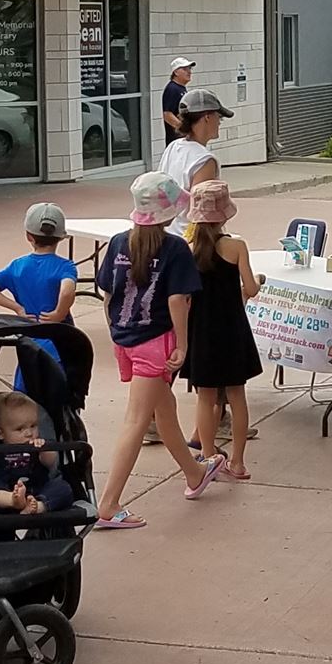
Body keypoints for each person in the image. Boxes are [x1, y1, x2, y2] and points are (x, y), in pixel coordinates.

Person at [91, 173, 222, 528]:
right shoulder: (175, 248)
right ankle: (109, 503)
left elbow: (107, 293)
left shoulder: (118, 243)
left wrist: (116, 332)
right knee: (137, 420)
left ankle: (195, 473)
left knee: (165, 409)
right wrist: (182, 343)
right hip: (156, 341)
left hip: (125, 338)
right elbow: (179, 299)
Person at [181, 180, 263, 484]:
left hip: (201, 332)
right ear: (225, 215)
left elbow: (184, 297)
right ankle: (238, 461)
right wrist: (252, 283)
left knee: (205, 398)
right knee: (236, 395)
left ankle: (206, 456)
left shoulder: (187, 250)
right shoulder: (236, 245)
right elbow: (251, 289)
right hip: (232, 329)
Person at [0, 203, 79, 392]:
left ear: (29, 236)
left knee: (25, 393)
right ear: (60, 237)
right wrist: (59, 312)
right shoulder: (65, 266)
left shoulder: (18, 266)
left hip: (29, 339)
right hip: (59, 341)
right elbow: (67, 291)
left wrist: (17, 309)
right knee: (61, 395)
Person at [0, 391, 74, 514]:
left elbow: (51, 464)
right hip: (3, 488)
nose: (29, 433)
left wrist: (44, 449)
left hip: (36, 490)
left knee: (63, 488)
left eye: (33, 426)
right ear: (0, 433)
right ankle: (12, 500)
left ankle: (39, 506)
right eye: (20, 429)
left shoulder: (37, 444)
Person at [157, 88, 230, 190]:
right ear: (207, 117)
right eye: (219, 116)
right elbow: (201, 204)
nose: (219, 122)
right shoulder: (204, 160)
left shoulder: (173, 147)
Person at [161, 58, 196, 144]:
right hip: (177, 141)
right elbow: (167, 115)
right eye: (184, 69)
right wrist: (185, 130)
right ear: (175, 72)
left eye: (190, 69)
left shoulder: (181, 89)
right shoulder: (172, 89)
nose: (189, 72)